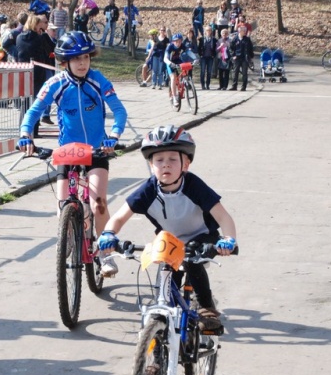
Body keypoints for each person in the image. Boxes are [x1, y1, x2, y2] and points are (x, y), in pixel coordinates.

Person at [97, 125, 238, 330]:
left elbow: (224, 217)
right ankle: (157, 350)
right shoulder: (148, 189)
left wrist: (229, 240)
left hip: (202, 237)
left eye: (173, 159)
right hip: (170, 240)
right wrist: (108, 234)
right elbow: (119, 217)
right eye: (159, 160)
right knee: (166, 280)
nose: (166, 165)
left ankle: (207, 308)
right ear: (151, 165)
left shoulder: (194, 186)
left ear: (186, 164)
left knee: (191, 263)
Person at [18, 31, 127, 275]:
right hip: (68, 151)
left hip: (98, 150)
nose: (82, 63)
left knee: (98, 202)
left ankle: (106, 253)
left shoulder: (98, 80)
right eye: (76, 58)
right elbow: (34, 111)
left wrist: (115, 136)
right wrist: (26, 134)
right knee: (62, 202)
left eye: (86, 57)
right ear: (63, 61)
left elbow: (119, 111)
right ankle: (66, 237)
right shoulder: (55, 83)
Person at [164, 33, 185, 108]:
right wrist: (170, 63)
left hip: (177, 60)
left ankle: (186, 83)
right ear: (173, 41)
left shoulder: (182, 45)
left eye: (180, 41)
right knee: (173, 77)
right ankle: (174, 97)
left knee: (186, 68)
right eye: (177, 41)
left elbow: (188, 52)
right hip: (170, 62)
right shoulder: (169, 47)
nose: (178, 43)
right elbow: (165, 58)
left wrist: (195, 58)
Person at [229, 24, 253, 91]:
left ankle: (243, 86)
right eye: (243, 31)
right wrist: (233, 55)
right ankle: (234, 86)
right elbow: (230, 48)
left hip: (244, 58)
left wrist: (250, 56)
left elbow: (250, 48)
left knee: (244, 73)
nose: (245, 32)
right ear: (240, 31)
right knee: (235, 72)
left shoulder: (247, 39)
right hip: (237, 58)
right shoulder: (235, 39)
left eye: (245, 31)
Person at [198, 25, 217, 90]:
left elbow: (215, 49)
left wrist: (213, 55)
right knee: (202, 71)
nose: (208, 32)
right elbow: (199, 48)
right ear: (205, 31)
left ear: (211, 31)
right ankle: (202, 85)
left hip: (210, 58)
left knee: (209, 72)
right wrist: (200, 54)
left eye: (209, 30)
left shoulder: (214, 40)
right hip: (203, 57)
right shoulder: (201, 39)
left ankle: (207, 84)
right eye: (207, 30)